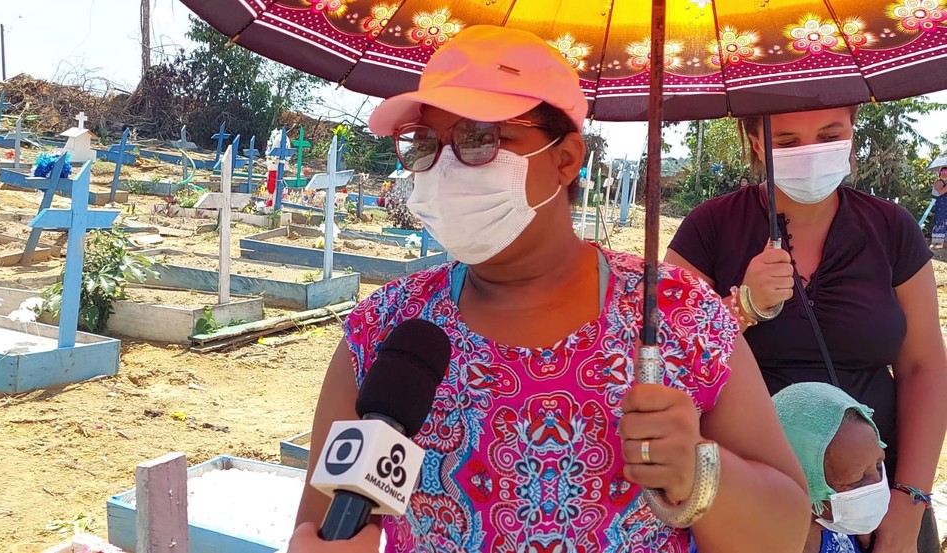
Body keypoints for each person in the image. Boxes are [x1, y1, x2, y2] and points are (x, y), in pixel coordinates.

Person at [289, 25, 809, 552]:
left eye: (479, 138)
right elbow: (327, 524)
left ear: (565, 159)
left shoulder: (679, 315)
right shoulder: (389, 330)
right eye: (424, 144)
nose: (445, 168)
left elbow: (786, 534)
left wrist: (698, 472)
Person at [665, 106, 947, 552]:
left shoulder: (893, 229)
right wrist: (741, 308)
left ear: (852, 128)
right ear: (756, 143)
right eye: (788, 142)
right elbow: (668, 364)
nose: (812, 153)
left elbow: (924, 367)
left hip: (877, 497)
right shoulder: (708, 229)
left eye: (829, 135)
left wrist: (909, 500)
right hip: (749, 503)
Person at [774, 382, 891, 553]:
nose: (878, 484)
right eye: (858, 479)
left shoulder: (839, 527)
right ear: (807, 482)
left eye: (879, 463)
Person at [931, 167, 947, 248]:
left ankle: (945, 243)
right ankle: (937, 243)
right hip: (941, 206)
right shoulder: (939, 182)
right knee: (941, 222)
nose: (945, 174)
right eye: (943, 172)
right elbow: (940, 192)